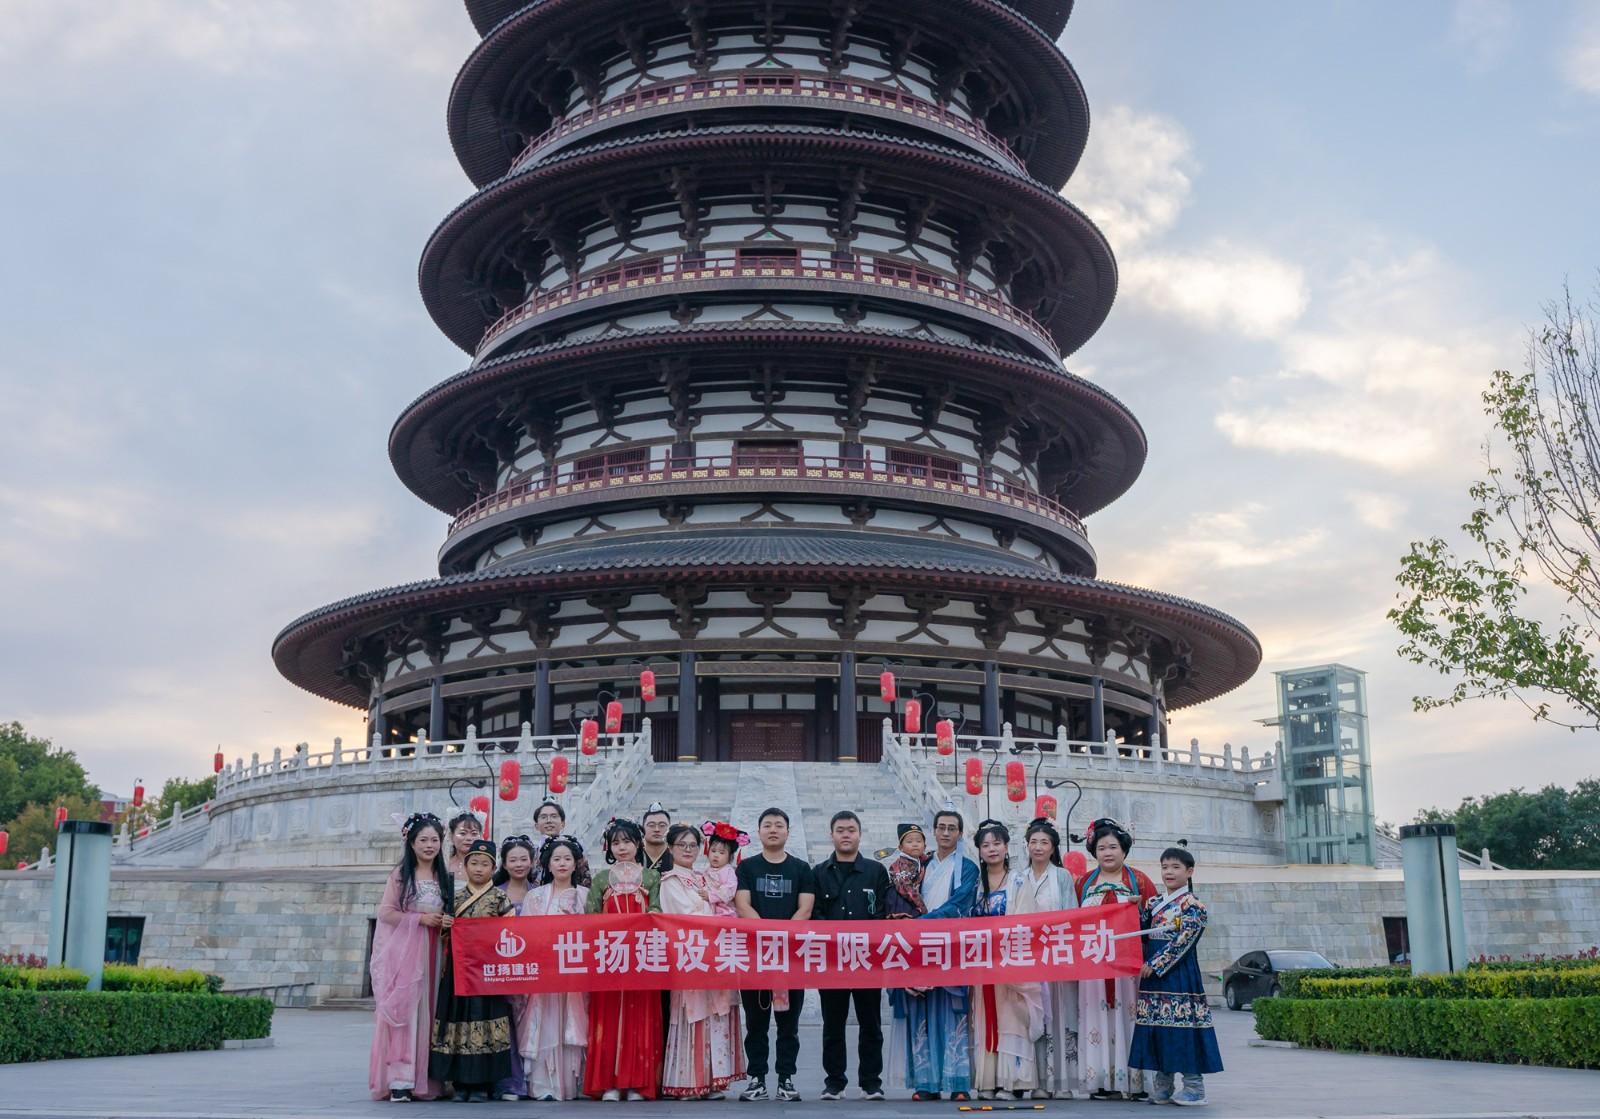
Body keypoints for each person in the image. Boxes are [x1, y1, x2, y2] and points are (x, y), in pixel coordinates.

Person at [890, 809, 978, 1102]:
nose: (946, 832)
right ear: (934, 831)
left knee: (952, 1011)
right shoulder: (919, 865)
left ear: (960, 834)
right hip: (919, 946)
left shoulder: (967, 868)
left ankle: (957, 1081)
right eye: (941, 827)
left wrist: (922, 923)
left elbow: (960, 903)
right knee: (921, 1008)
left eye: (952, 828)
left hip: (950, 944)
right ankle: (926, 1082)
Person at [1128, 845, 1222, 1107]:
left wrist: (1156, 963)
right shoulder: (1154, 903)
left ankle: (1194, 1087)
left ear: (1189, 872)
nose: (1169, 872)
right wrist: (1133, 908)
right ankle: (1163, 1085)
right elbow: (1141, 930)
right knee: (1158, 1028)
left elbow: (1185, 940)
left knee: (1182, 1028)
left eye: (1175, 867)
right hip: (1153, 976)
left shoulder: (1193, 906)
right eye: (1165, 867)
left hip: (1179, 974)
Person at [369, 812, 452, 1102]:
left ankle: (427, 1079)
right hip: (406, 952)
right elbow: (386, 913)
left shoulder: (444, 877)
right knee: (406, 1010)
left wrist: (443, 922)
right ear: (411, 843)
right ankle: (400, 1080)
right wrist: (420, 919)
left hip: (435, 952)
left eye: (434, 840)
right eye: (423, 840)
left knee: (432, 1010)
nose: (429, 845)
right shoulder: (400, 875)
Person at [735, 807, 816, 1102]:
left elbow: (805, 909)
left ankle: (786, 1079)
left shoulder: (801, 869)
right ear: (758, 832)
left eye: (779, 825)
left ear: (787, 832)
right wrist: (767, 938)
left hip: (789, 960)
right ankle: (757, 1079)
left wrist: (781, 941)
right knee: (755, 1022)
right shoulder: (747, 868)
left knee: (787, 1024)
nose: (773, 829)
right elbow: (742, 905)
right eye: (767, 825)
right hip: (755, 958)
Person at [660, 823, 746, 1100]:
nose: (688, 850)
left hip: (716, 956)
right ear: (670, 848)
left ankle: (711, 1081)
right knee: (693, 1014)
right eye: (681, 845)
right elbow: (684, 917)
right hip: (691, 956)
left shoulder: (704, 877)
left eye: (693, 845)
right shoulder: (670, 881)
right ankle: (688, 1081)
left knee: (714, 1015)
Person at [1076, 818, 1158, 1100]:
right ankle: (1100, 1080)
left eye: (1113, 847)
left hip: (1129, 969)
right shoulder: (1084, 883)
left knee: (1130, 1019)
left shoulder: (1139, 881)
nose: (1107, 853)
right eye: (1101, 848)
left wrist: (1139, 911)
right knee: (1095, 1017)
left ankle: (1136, 1082)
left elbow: (1155, 922)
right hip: (1094, 966)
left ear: (1124, 850)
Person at [583, 818, 664, 1101]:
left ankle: (639, 1083)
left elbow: (658, 911)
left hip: (641, 957)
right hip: (610, 958)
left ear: (638, 844)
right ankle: (610, 1083)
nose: (622, 847)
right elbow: (590, 918)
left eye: (627, 841)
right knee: (608, 1019)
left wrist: (647, 912)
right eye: (616, 842)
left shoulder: (652, 877)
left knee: (640, 1018)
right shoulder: (601, 879)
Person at [812, 810, 891, 1101]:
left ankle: (871, 1082)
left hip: (867, 960)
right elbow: (815, 914)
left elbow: (881, 913)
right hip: (831, 960)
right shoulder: (819, 872)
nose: (846, 835)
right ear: (831, 835)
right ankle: (835, 1082)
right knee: (833, 1024)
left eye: (851, 830)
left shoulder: (875, 871)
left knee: (871, 1023)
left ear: (859, 834)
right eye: (840, 830)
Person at [429, 839, 515, 1102]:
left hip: (488, 971)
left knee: (486, 1021)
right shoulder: (455, 898)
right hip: (459, 971)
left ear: (494, 868)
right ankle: (460, 1083)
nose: (479, 868)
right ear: (465, 866)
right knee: (458, 1021)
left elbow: (511, 933)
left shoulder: (500, 898)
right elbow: (444, 935)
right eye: (474, 863)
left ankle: (482, 1084)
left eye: (485, 864)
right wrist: (445, 925)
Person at [969, 821, 1043, 1100]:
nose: (992, 849)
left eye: (997, 844)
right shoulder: (975, 884)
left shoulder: (1018, 881)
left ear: (1007, 847)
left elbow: (1025, 921)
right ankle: (988, 1082)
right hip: (981, 963)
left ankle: (1013, 1083)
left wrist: (1004, 952)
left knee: (1012, 1020)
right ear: (979, 850)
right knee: (985, 1019)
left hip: (1010, 962)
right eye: (985, 845)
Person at [520, 837, 590, 1101]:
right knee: (545, 1023)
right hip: (545, 970)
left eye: (567, 859)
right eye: (556, 859)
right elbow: (525, 935)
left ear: (576, 864)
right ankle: (544, 1085)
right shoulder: (535, 897)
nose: (562, 863)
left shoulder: (586, 896)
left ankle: (571, 1083)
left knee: (572, 1021)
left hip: (576, 971)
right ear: (547, 864)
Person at [1017, 818, 1079, 1099]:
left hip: (1056, 955)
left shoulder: (1062, 876)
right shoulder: (1019, 877)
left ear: (1053, 848)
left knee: (1061, 1017)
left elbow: (1071, 915)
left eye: (1044, 842)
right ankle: (1039, 1082)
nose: (1038, 847)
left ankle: (1063, 1082)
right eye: (1033, 842)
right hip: (1028, 956)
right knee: (1035, 1018)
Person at [492, 836, 538, 1100]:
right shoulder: (494, 893)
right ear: (504, 864)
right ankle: (510, 1082)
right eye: (513, 860)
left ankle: (533, 1079)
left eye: (524, 859)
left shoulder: (540, 892)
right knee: (506, 1024)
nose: (519, 864)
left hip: (534, 967)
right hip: (503, 967)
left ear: (531, 861)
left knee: (529, 1022)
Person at [701, 820, 747, 916]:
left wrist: (711, 896)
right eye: (713, 851)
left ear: (730, 857)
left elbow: (730, 889)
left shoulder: (729, 871)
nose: (716, 855)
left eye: (722, 853)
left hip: (725, 910)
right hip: (711, 908)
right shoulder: (706, 870)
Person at [885, 823, 927, 918]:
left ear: (924, 847)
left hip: (911, 898)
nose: (915, 844)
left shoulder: (919, 860)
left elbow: (926, 857)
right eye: (909, 842)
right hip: (900, 899)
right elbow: (905, 887)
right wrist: (922, 907)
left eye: (919, 841)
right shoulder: (901, 864)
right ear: (901, 847)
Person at [529, 801, 567, 883]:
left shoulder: (573, 850)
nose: (549, 821)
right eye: (543, 817)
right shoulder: (530, 854)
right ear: (536, 826)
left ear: (562, 824)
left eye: (554, 816)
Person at [444, 811, 482, 890]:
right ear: (452, 836)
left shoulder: (485, 866)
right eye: (463, 833)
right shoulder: (445, 865)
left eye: (474, 834)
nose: (469, 838)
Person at [640, 802, 675, 874]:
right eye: (651, 825)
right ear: (643, 828)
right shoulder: (635, 855)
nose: (657, 829)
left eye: (662, 825)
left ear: (669, 828)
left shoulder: (676, 855)